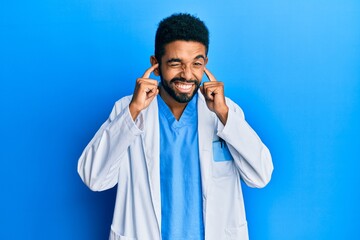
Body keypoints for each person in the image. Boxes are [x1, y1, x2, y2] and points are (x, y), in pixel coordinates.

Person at [78, 13, 273, 240]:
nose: (187, 75)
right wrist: (132, 113)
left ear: (205, 64)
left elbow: (261, 176)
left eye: (196, 64)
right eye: (175, 63)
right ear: (156, 65)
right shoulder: (128, 109)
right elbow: (94, 178)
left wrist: (224, 114)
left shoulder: (225, 111)